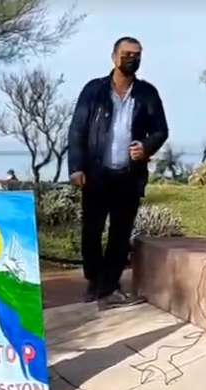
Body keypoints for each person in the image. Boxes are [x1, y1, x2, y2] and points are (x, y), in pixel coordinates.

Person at [67, 36, 169, 308]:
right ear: (114, 57)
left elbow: (161, 130)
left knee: (120, 235)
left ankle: (111, 286)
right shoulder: (94, 90)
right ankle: (94, 282)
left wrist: (146, 147)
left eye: (137, 55)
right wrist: (76, 167)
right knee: (92, 231)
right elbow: (77, 130)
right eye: (126, 54)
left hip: (128, 175)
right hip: (96, 173)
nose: (132, 59)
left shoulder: (147, 93)